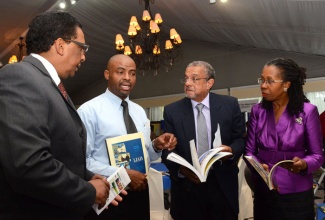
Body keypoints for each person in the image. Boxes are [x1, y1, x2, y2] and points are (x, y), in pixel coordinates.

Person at [0, 11, 122, 219]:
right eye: (82, 47)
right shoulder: (19, 76)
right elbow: (29, 164)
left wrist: (91, 178)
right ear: (60, 45)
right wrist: (89, 191)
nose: (84, 56)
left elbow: (60, 153)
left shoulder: (49, 85)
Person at [77, 54, 177, 219]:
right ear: (107, 75)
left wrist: (156, 146)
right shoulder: (89, 111)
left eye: (132, 73)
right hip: (110, 195)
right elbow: (83, 161)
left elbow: (145, 154)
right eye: (120, 72)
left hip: (140, 193)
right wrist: (123, 174)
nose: (127, 78)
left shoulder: (138, 111)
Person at [161, 61, 245, 220]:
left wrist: (232, 151)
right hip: (188, 188)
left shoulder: (230, 105)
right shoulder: (172, 111)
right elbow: (168, 150)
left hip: (222, 186)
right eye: (185, 79)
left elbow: (240, 139)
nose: (187, 83)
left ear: (209, 83)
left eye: (194, 79)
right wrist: (182, 170)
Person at [245, 57, 324, 220]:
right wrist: (259, 169)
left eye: (270, 81)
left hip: (296, 191)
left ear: (286, 84)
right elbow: (249, 151)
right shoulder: (257, 111)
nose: (263, 85)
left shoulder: (307, 111)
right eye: (262, 79)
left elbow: (318, 156)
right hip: (264, 190)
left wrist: (303, 164)